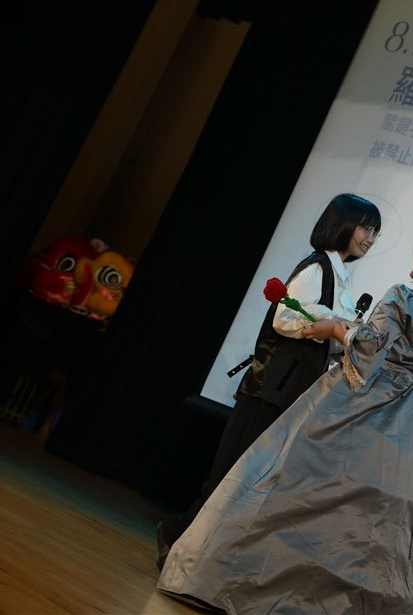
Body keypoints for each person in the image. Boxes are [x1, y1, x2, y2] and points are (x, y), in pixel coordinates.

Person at [157, 230, 413, 615]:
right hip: (407, 429)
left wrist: (335, 329)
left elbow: (367, 350)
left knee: (299, 488)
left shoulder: (402, 297)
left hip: (364, 409)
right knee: (364, 523)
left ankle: (247, 586)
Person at [155, 193, 382, 570]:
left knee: (246, 480)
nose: (370, 239)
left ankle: (194, 550)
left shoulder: (339, 273)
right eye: (366, 228)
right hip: (271, 387)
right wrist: (329, 325)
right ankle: (177, 536)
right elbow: (284, 320)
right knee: (230, 473)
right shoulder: (316, 269)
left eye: (375, 232)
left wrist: (343, 332)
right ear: (342, 224)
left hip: (289, 391)